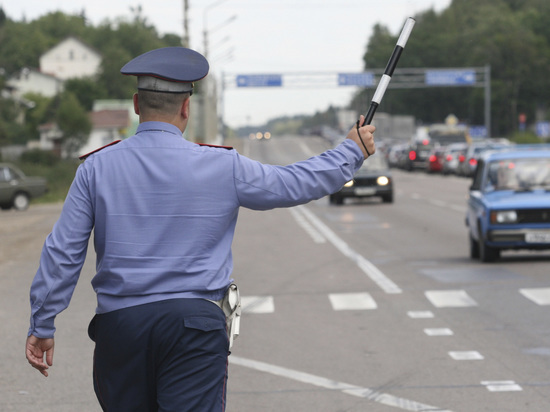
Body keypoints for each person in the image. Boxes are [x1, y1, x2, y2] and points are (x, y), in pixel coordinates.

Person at [25, 47, 375, 411]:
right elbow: (293, 183)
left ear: (136, 104)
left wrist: (43, 322)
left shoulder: (95, 169)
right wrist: (350, 151)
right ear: (186, 108)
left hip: (121, 330)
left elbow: (63, 251)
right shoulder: (222, 166)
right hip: (194, 328)